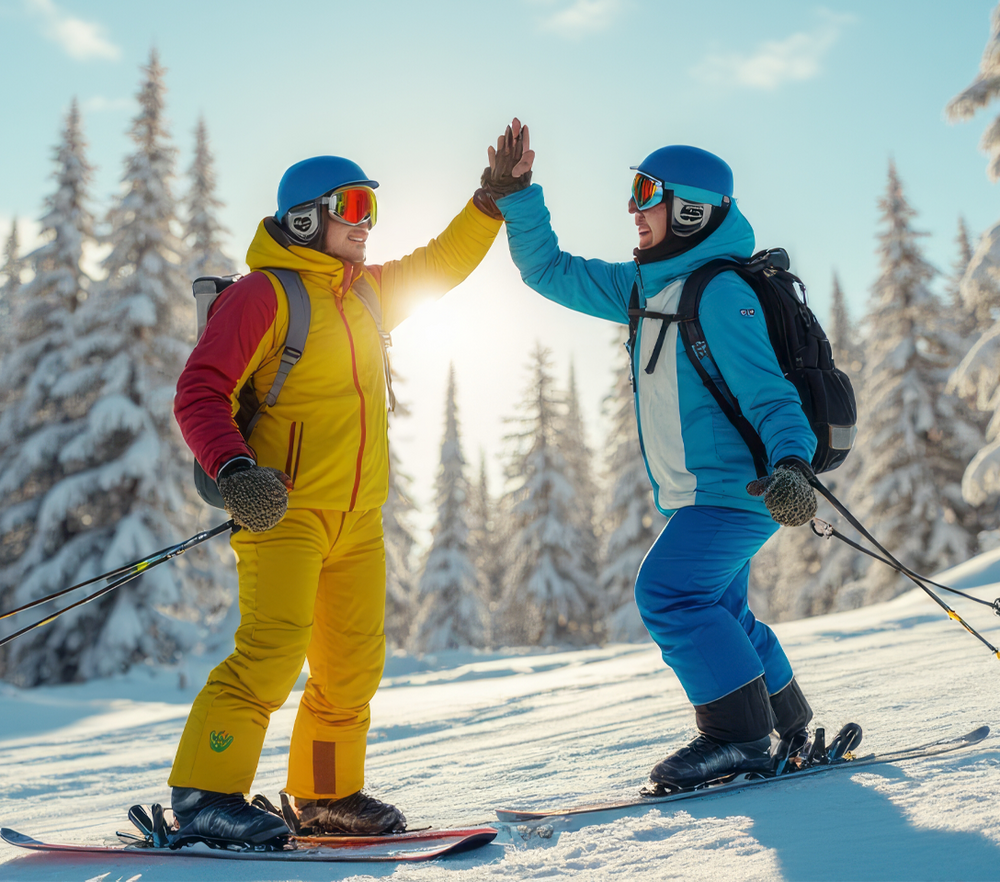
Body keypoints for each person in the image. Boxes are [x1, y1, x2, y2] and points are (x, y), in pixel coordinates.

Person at [168, 155, 504, 846]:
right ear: (305, 216)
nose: (365, 223)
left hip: (358, 518)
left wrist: (491, 201)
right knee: (270, 651)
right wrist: (234, 469)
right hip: (282, 512)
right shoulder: (263, 295)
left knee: (352, 667)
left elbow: (441, 264)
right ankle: (206, 794)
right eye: (351, 207)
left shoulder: (368, 293)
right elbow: (200, 389)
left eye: (370, 209)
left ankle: (324, 795)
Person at [482, 120, 818, 791]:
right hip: (705, 496)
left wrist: (792, 464)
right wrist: (518, 197)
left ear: (690, 209)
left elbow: (772, 396)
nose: (633, 208)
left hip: (743, 493)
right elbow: (550, 272)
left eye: (646, 193)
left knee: (666, 591)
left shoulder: (721, 292)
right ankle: (787, 725)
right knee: (722, 614)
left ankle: (738, 739)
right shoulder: (649, 289)